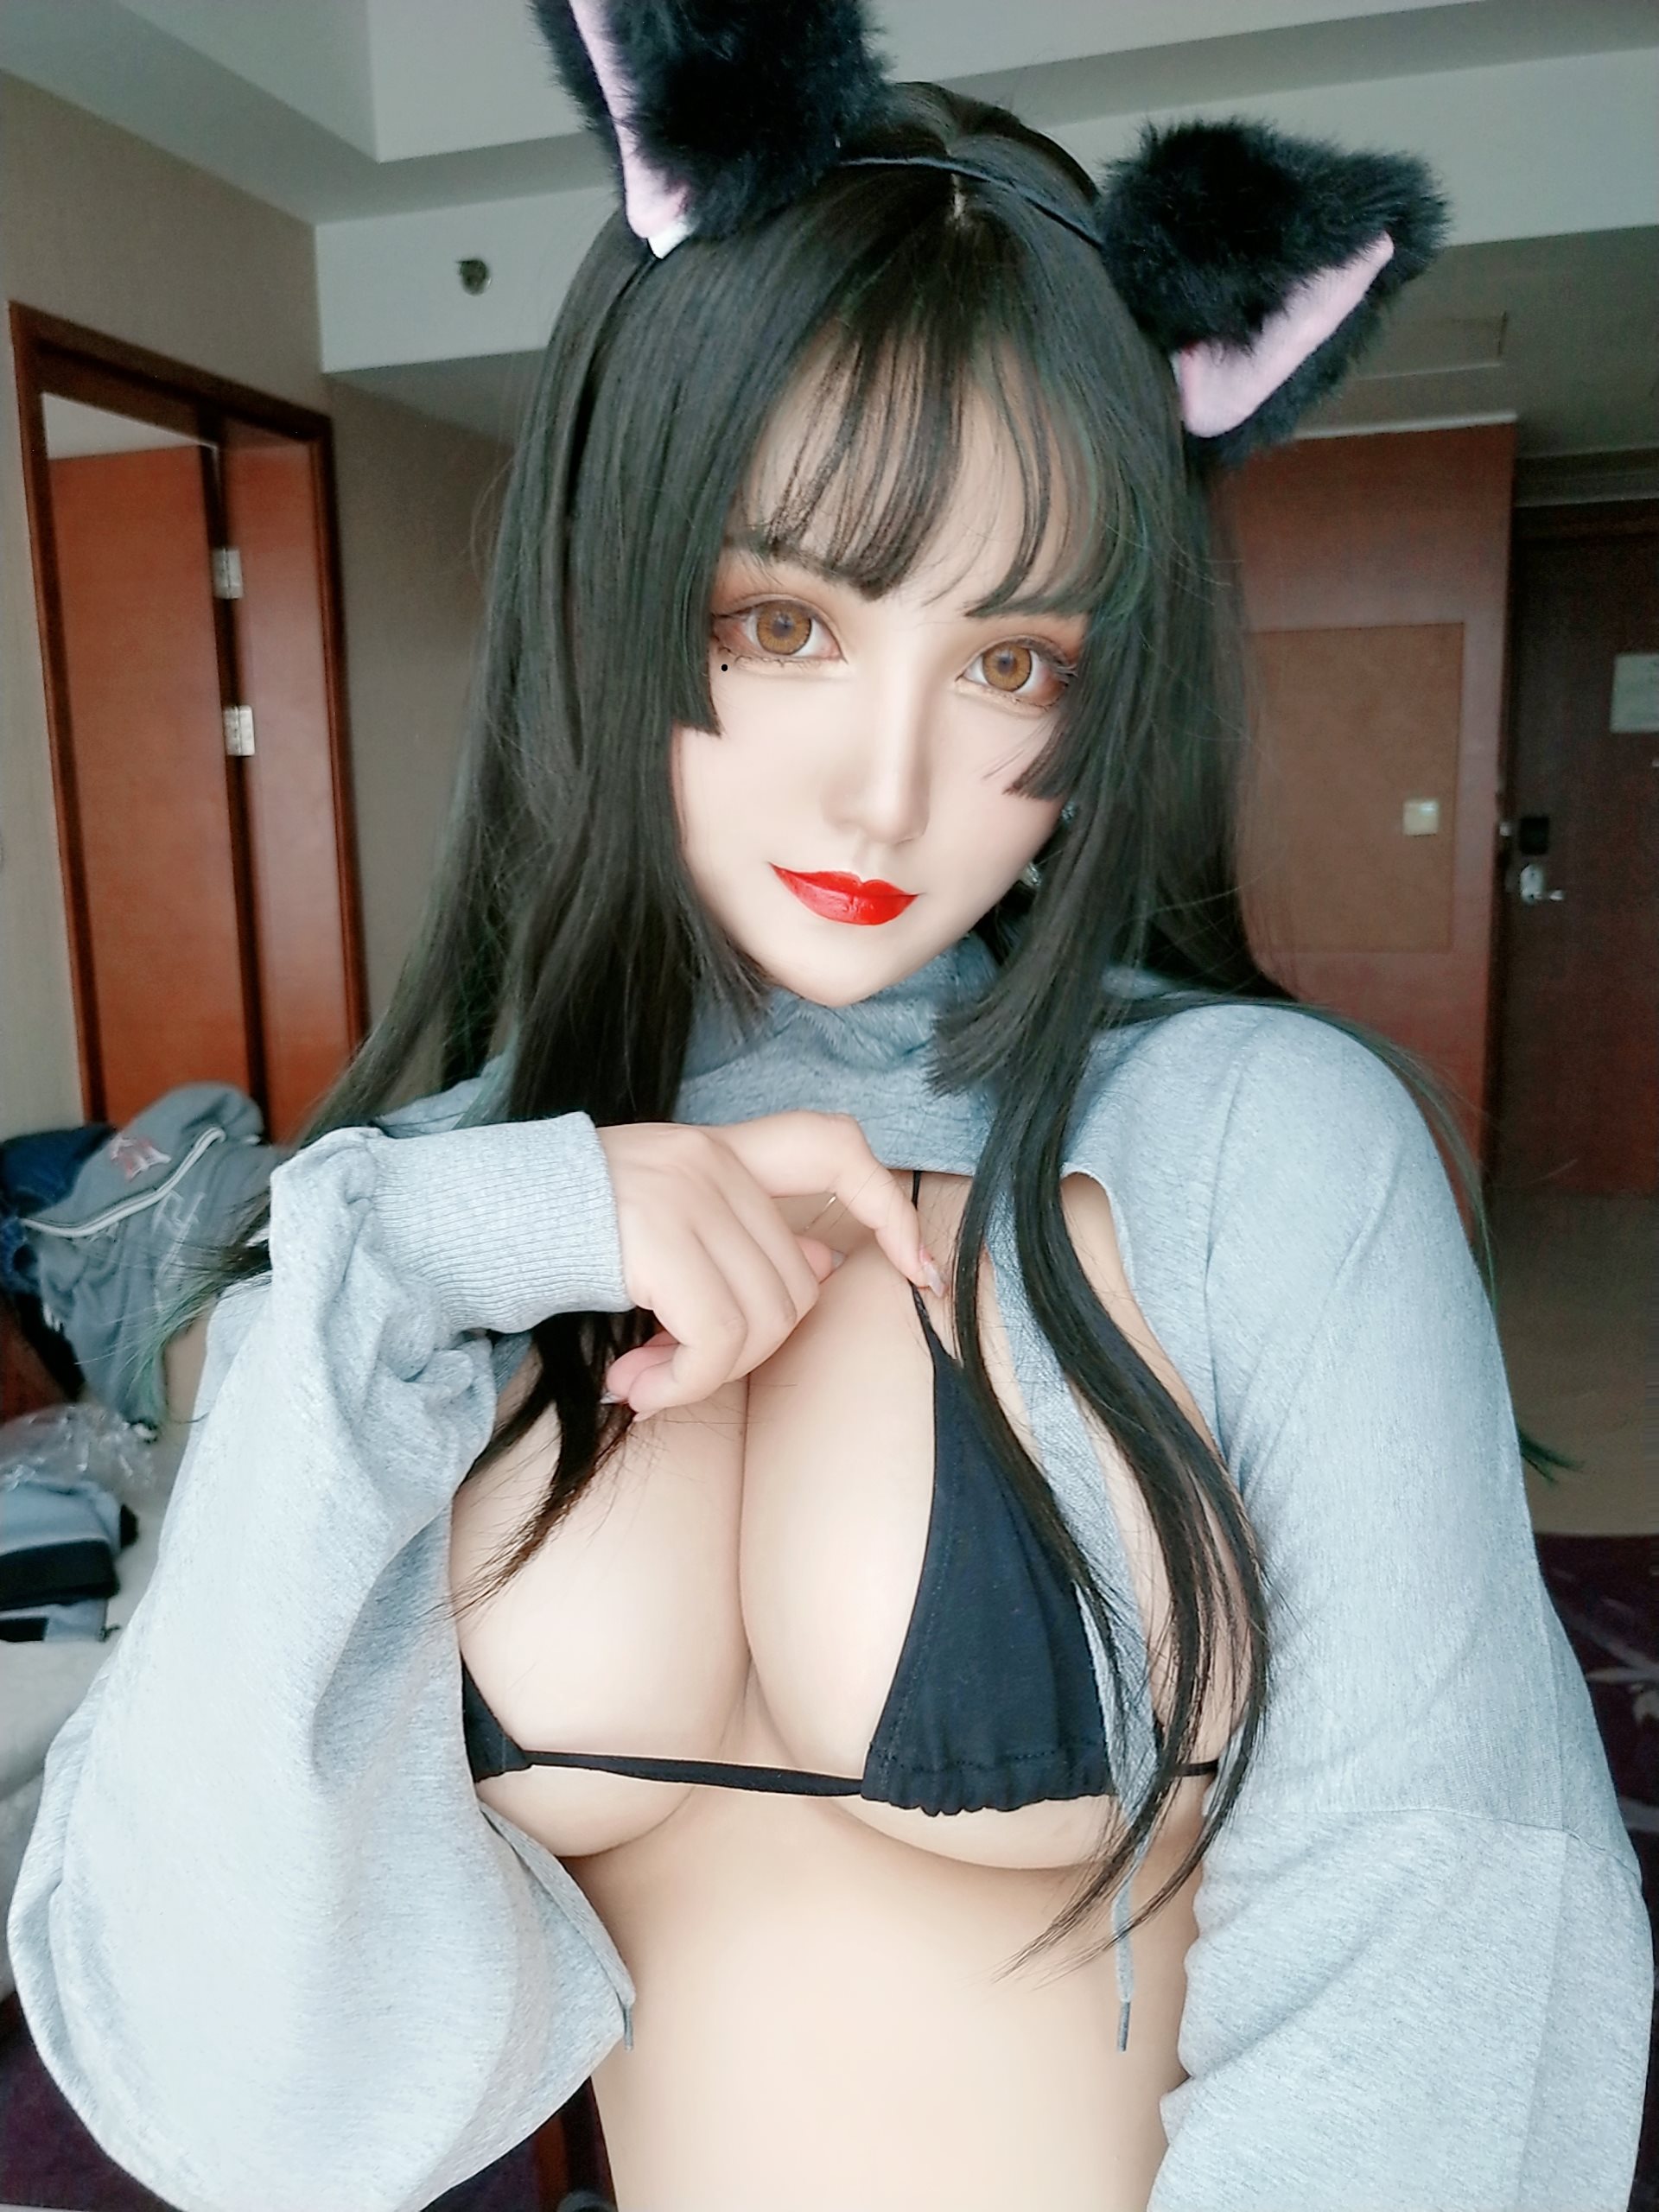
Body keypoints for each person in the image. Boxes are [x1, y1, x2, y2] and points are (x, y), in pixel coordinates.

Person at [9, 6, 1651, 2209]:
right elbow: (230, 2092)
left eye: (1013, 660)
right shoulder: (441, 1203)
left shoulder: (1261, 1139)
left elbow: (1445, 1930)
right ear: (607, 583)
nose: (890, 788)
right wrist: (430, 1241)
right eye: (782, 622)